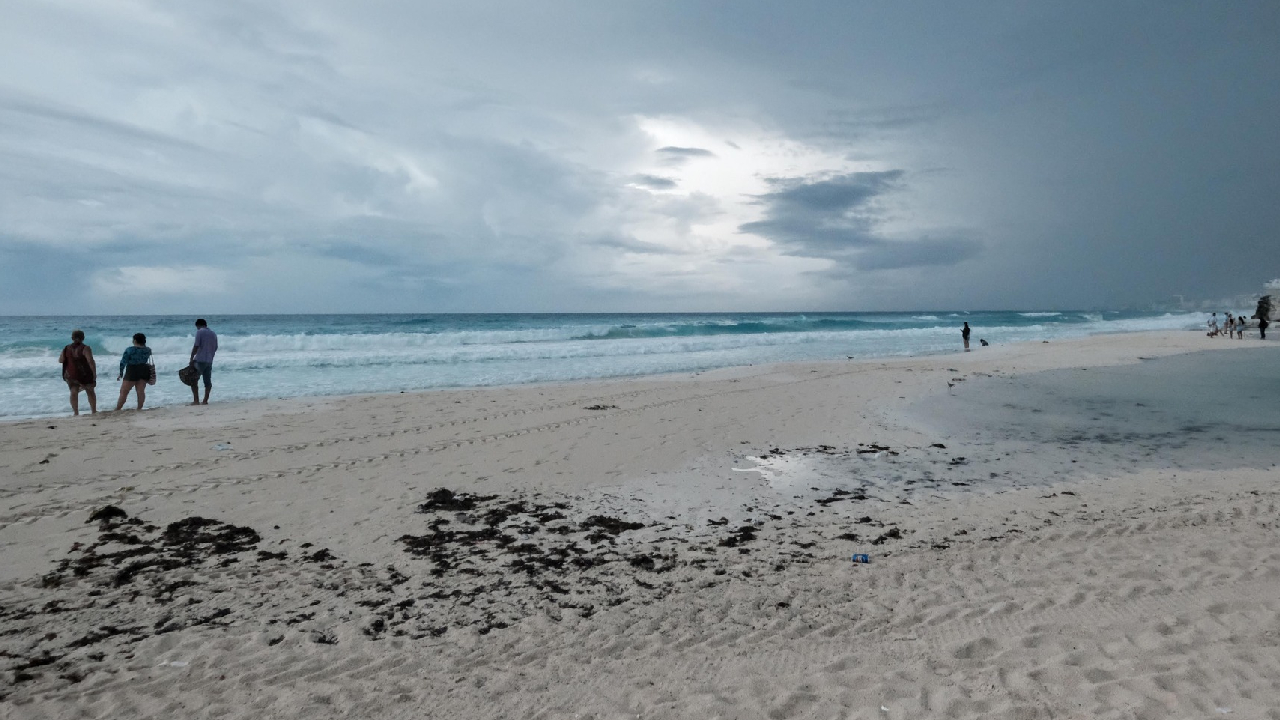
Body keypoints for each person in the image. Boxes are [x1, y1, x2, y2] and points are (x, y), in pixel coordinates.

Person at [57, 329, 97, 415]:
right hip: (84, 374)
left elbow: (60, 360)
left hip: (72, 374)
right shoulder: (85, 348)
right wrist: (94, 374)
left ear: (72, 338)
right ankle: (93, 411)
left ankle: (76, 412)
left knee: (73, 392)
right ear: (83, 338)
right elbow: (90, 361)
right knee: (90, 391)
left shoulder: (66, 348)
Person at [116, 333, 152, 411]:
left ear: (135, 340)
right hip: (144, 370)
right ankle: (139, 408)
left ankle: (118, 409)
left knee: (124, 392)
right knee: (140, 391)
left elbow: (123, 362)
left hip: (132, 370)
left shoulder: (130, 350)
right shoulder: (148, 350)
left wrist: (121, 373)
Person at [188, 318, 218, 405]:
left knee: (193, 380)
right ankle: (205, 400)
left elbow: (196, 345)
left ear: (198, 325)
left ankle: (196, 400)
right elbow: (215, 347)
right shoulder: (213, 333)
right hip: (209, 360)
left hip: (200, 360)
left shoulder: (200, 332)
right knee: (207, 381)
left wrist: (191, 358)